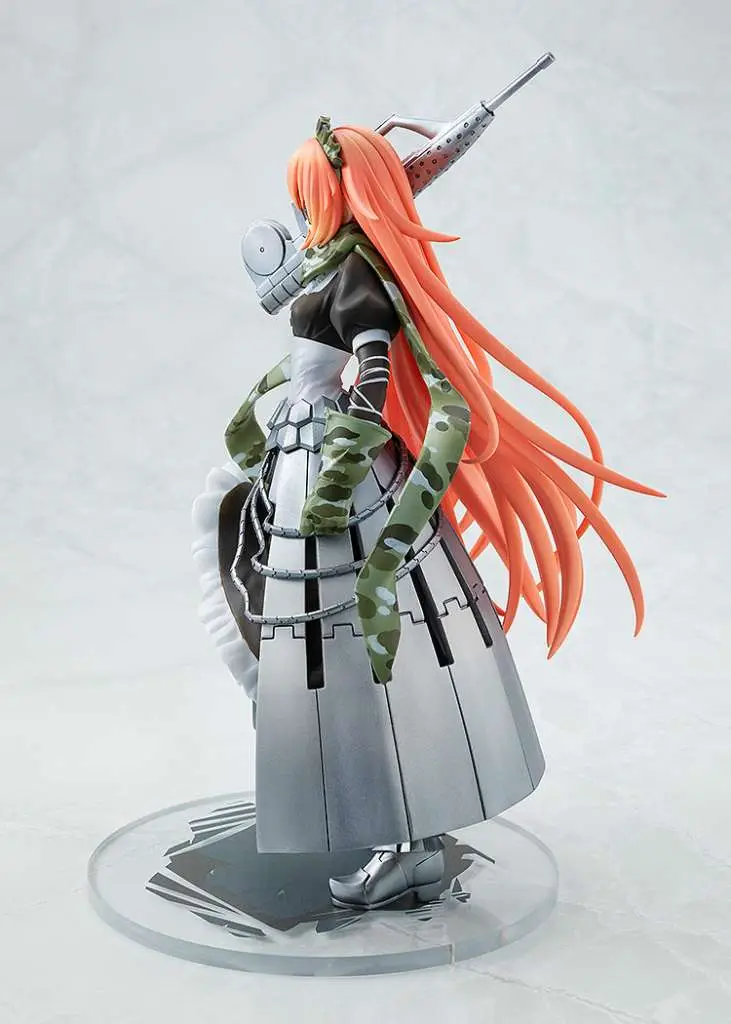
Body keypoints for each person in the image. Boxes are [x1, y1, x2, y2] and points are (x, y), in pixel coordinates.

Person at [192, 117, 662, 910]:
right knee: (307, 635)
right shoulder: (336, 261)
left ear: (330, 193)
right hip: (306, 452)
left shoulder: (357, 277)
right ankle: (369, 816)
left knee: (381, 653)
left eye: (308, 193)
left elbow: (373, 376)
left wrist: (342, 462)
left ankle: (408, 846)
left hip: (336, 466)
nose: (300, 208)